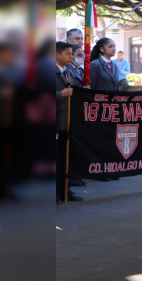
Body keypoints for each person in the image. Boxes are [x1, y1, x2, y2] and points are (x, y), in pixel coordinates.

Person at [55, 41, 83, 204]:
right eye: (67, 54)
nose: (70, 57)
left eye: (71, 54)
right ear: (56, 55)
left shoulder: (69, 72)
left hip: (68, 122)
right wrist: (60, 94)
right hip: (55, 121)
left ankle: (65, 189)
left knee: (66, 158)